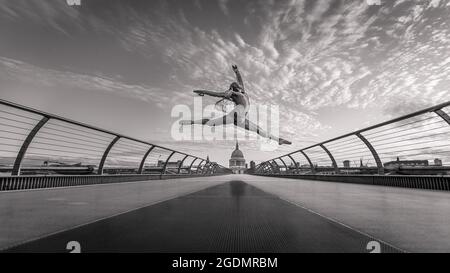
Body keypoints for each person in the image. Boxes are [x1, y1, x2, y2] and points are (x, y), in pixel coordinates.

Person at [180, 65, 291, 145]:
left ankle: (278, 140)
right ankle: (190, 122)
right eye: (236, 87)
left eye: (238, 87)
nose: (239, 87)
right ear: (234, 88)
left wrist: (237, 72)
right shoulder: (232, 94)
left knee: (259, 130)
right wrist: (202, 91)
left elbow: (240, 80)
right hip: (234, 116)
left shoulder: (242, 91)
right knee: (210, 123)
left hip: (240, 120)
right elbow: (214, 93)